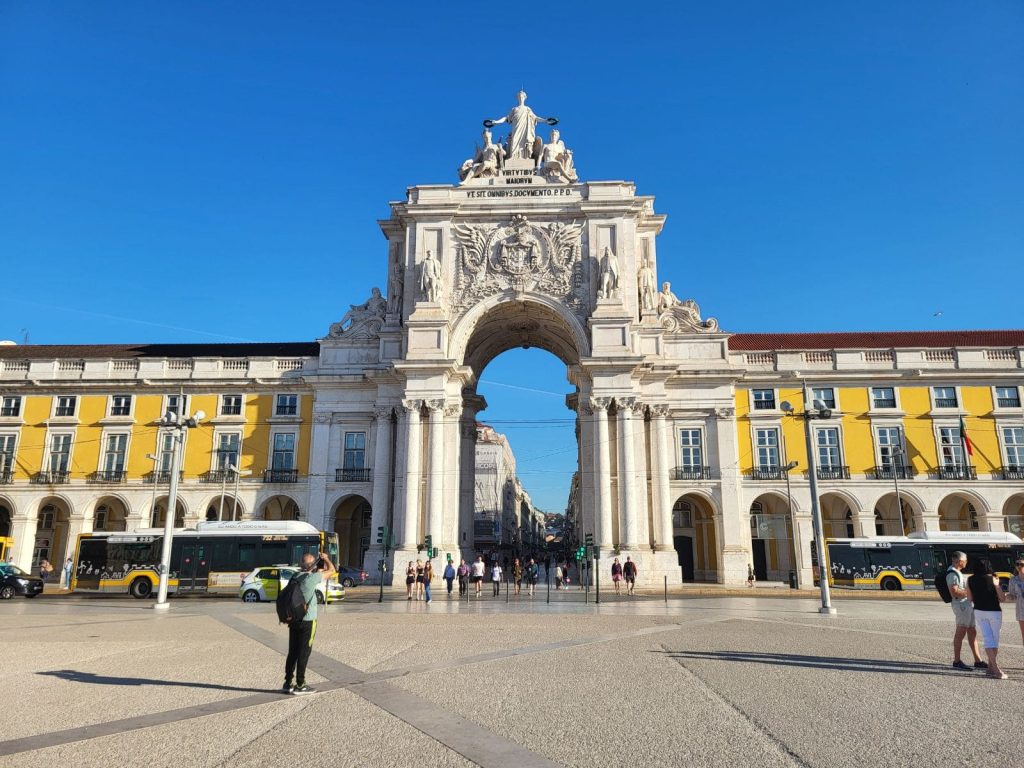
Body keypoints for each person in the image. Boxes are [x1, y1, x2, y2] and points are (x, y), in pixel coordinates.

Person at [283, 549, 335, 695]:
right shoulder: (311, 578)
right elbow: (332, 570)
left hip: (294, 619)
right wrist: (326, 558)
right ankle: (300, 684)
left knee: (292, 651)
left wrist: (316, 565)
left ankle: (288, 682)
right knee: (304, 652)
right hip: (308, 620)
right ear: (312, 565)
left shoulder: (295, 576)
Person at [483, 90, 556, 162]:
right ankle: (514, 158)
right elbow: (506, 118)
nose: (521, 98)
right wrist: (496, 122)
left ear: (525, 98)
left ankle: (525, 158)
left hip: (525, 130)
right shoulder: (514, 109)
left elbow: (536, 118)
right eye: (519, 96)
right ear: (517, 98)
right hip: (516, 129)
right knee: (514, 141)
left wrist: (545, 120)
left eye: (522, 96)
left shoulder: (528, 109)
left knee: (525, 144)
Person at [966, 558, 1008, 679]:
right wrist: (996, 585)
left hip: (979, 611)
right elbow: (1002, 598)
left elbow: (969, 598)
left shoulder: (970, 579)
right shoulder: (993, 578)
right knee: (994, 639)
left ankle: (990, 667)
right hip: (994, 611)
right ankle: (995, 668)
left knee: (988, 638)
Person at [946, 551, 986, 671]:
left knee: (972, 631)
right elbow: (954, 592)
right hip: (961, 605)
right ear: (960, 561)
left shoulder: (957, 572)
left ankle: (978, 660)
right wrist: (971, 592)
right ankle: (957, 661)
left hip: (966, 605)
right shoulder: (952, 574)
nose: (967, 562)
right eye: (965, 560)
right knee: (961, 632)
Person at [1007, 558, 1024, 645]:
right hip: (1021, 611)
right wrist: (1009, 597)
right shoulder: (1013, 580)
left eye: (1022, 564)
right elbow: (1012, 595)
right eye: (1017, 564)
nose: (1019, 566)